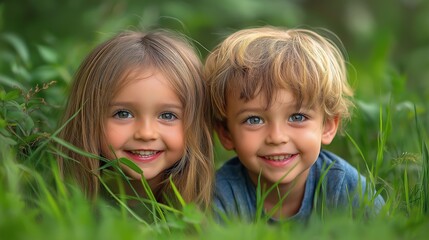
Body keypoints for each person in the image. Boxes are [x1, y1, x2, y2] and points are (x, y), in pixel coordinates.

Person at [204, 26, 385, 222]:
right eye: (254, 120)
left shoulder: (345, 187)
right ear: (226, 133)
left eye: (297, 117)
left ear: (327, 126)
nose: (277, 137)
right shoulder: (221, 195)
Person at [57, 29, 214, 211]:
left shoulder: (219, 207)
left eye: (167, 115)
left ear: (197, 122)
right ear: (87, 117)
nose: (146, 133)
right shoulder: (63, 208)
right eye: (123, 114)